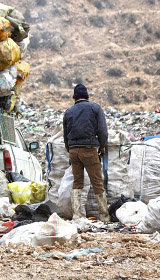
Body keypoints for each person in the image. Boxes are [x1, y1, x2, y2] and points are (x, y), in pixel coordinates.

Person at [63, 84, 109, 222]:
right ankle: (104, 217)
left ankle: (77, 216)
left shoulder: (68, 112)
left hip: (73, 150)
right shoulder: (95, 108)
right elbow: (102, 130)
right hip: (89, 149)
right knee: (97, 182)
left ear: (74, 97)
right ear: (87, 96)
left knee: (77, 183)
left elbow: (65, 134)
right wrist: (102, 146)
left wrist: (69, 149)